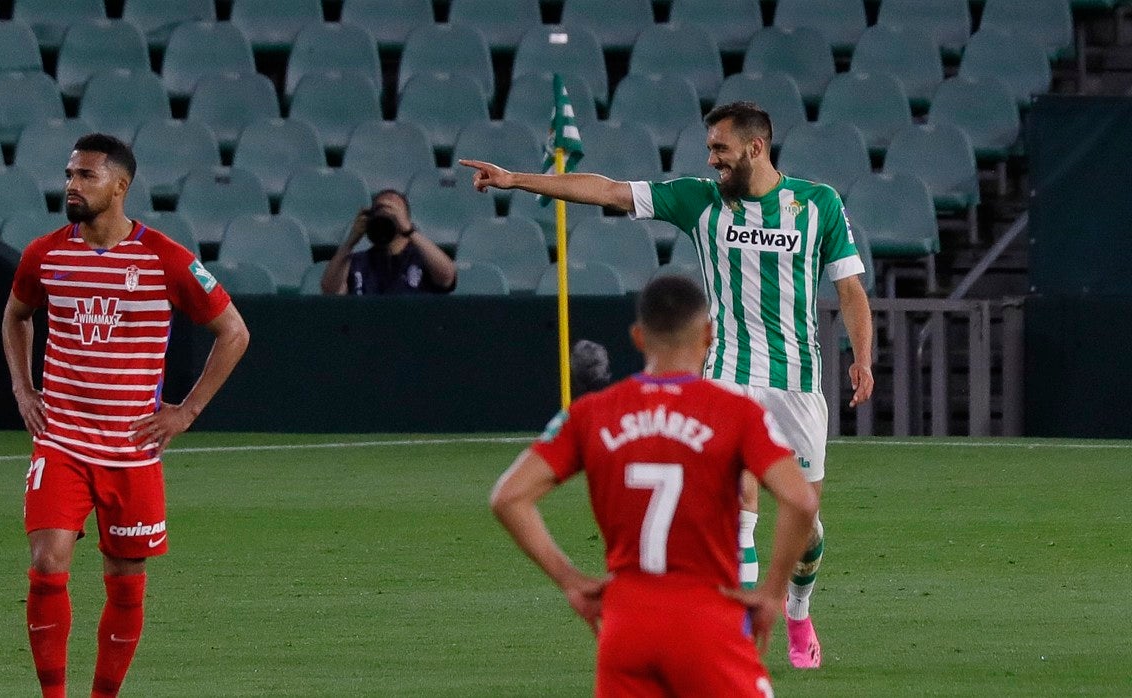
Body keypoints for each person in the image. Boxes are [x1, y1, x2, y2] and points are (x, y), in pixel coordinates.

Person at [462, 100, 874, 669]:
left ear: (756, 148)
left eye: (720, 150)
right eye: (710, 150)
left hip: (798, 382)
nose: (712, 161)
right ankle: (743, 639)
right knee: (741, 503)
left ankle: (799, 608)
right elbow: (607, 190)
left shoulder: (819, 204)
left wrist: (862, 357)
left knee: (804, 522)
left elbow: (850, 290)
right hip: (727, 372)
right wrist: (514, 179)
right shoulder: (699, 200)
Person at [2, 133, 250, 698]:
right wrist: (23, 389)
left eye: (85, 175)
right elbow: (16, 316)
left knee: (125, 580)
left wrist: (186, 412)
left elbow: (234, 332)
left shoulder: (165, 258)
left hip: (131, 448)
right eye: (69, 173)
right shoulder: (44, 254)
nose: (71, 184)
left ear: (120, 186)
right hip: (61, 441)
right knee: (48, 561)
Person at [490, 275, 819, 696]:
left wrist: (570, 579)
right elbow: (800, 499)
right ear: (709, 334)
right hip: (706, 621)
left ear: (638, 336)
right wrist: (772, 593)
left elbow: (508, 497)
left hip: (626, 629)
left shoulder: (591, 414)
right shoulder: (737, 412)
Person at [319, 189, 457, 295]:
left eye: (394, 210)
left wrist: (409, 230)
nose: (387, 214)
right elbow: (330, 290)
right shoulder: (357, 262)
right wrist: (351, 241)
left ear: (406, 218)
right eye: (380, 209)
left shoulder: (423, 259)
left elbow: (447, 277)